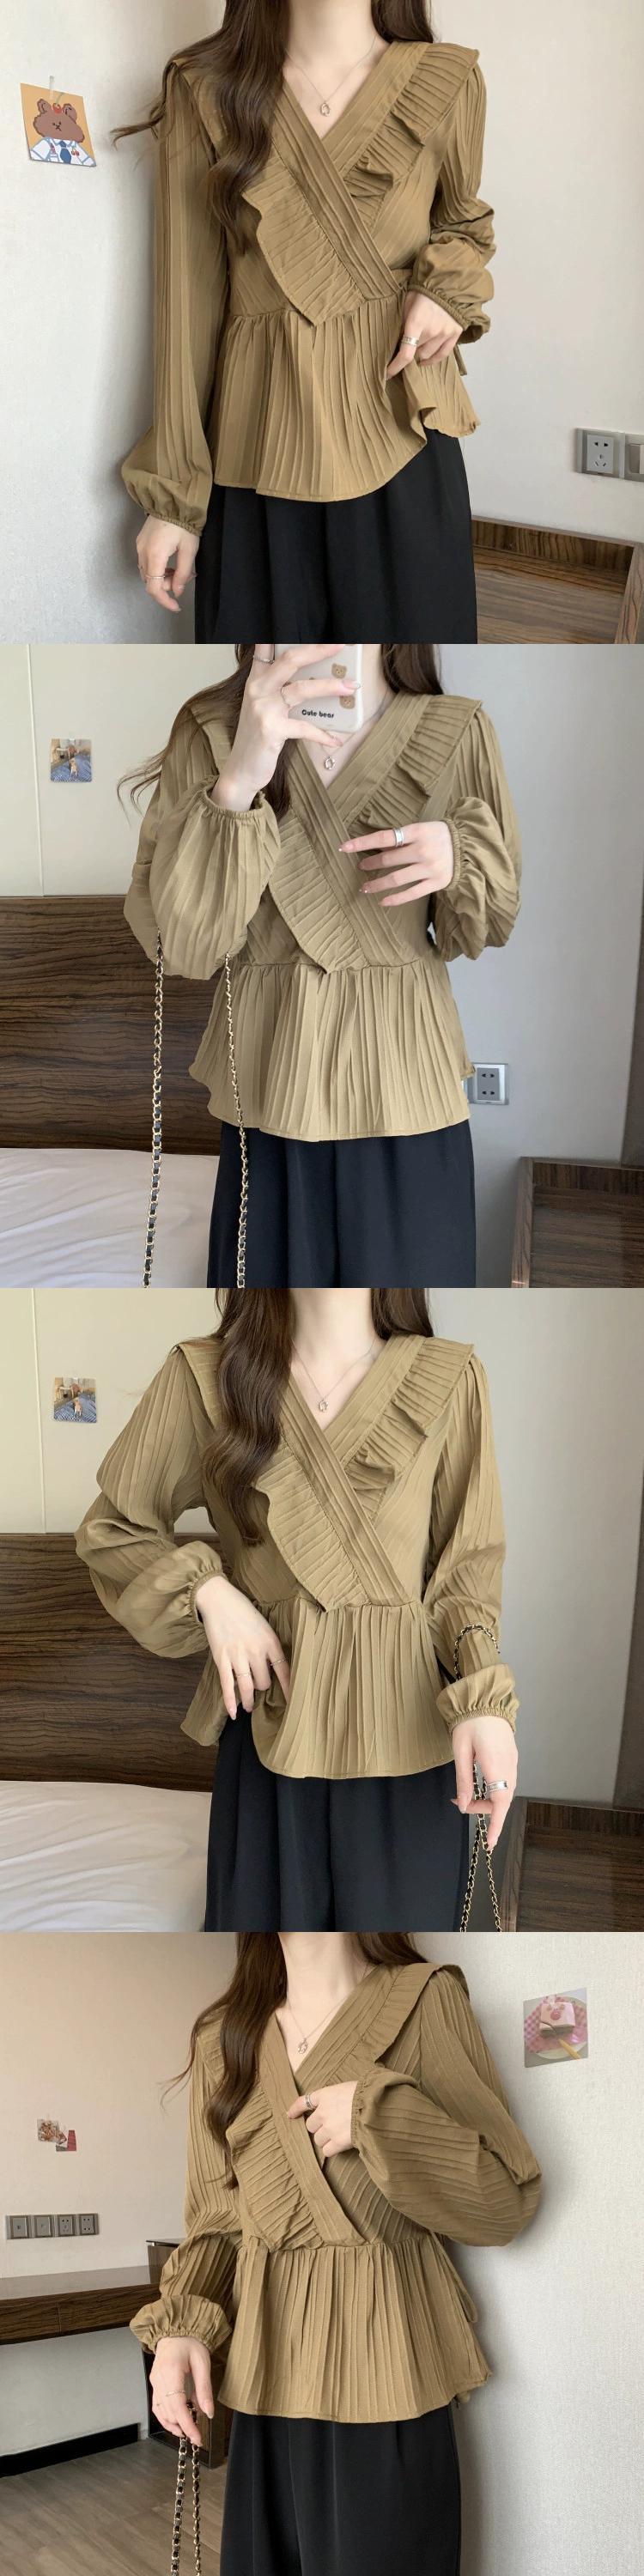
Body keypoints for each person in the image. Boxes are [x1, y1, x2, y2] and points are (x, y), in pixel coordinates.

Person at [76, 1288, 519, 1929]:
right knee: (271, 1958)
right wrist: (210, 1592)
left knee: (403, 1956)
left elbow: (466, 1570)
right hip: (272, 1728)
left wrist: (484, 1701)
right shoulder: (205, 1376)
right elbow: (112, 1531)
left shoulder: (449, 1377)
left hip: (414, 1736)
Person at [131, 1931, 541, 2576]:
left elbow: (502, 2205)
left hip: (389, 2370)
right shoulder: (224, 2037)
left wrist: (382, 2118)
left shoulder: (425, 1999)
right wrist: (182, 2324)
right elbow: (217, 2223)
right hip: (265, 2381)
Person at [123, 644, 520, 1285]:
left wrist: (460, 855)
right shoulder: (210, 729)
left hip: (408, 1086)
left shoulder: (458, 729)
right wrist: (238, 780)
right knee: (267, 1323)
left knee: (402, 1315)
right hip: (267, 1088)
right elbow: (186, 947)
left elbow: (487, 927)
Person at [117, 1, 495, 640]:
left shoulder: (446, 79)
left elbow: (463, 223)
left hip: (402, 421)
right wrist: (175, 498)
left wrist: (443, 292)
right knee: (265, 662)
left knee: (407, 652)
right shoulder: (204, 87)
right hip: (260, 438)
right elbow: (187, 304)